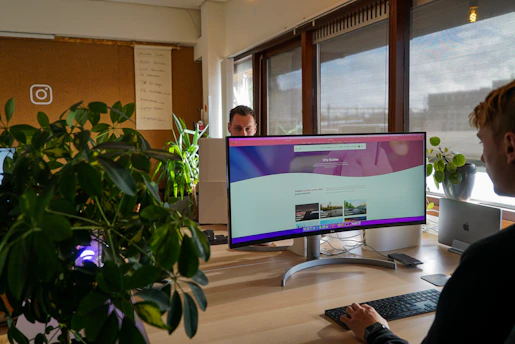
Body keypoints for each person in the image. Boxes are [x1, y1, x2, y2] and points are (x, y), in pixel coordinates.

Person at [339, 79, 515, 344]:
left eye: (482, 143)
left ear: (510, 146)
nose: (482, 158)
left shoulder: (492, 262)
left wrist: (375, 329)